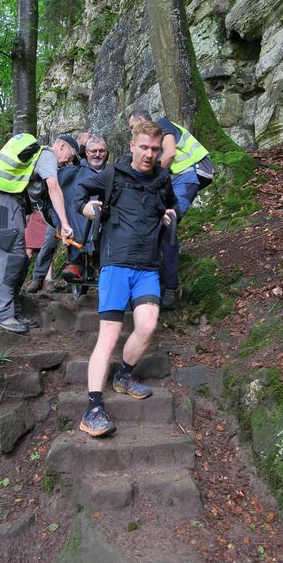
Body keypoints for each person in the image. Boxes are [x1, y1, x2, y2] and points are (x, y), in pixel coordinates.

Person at [74, 120, 180, 437]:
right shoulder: (112, 175)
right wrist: (87, 209)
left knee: (147, 325)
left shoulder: (163, 180)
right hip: (116, 265)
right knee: (109, 335)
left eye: (155, 149)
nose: (149, 154)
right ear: (132, 146)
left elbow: (173, 205)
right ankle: (92, 408)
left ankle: (124, 375)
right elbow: (80, 191)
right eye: (143, 147)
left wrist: (170, 215)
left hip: (148, 267)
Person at [0, 133, 75, 334]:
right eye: (70, 157)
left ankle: (12, 310)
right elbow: (54, 187)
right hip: (8, 206)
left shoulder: (36, 159)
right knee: (10, 259)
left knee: (20, 259)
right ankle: (1, 315)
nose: (67, 163)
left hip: (11, 207)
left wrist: (57, 226)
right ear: (62, 146)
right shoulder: (47, 154)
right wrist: (65, 223)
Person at [128, 110, 212, 309]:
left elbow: (171, 152)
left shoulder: (162, 124)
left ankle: (169, 289)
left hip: (189, 173)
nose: (132, 131)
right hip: (177, 180)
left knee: (168, 223)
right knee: (157, 226)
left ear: (141, 121)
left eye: (132, 126)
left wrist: (152, 180)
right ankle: (155, 287)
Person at [25, 135, 109, 293]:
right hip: (66, 216)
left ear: (107, 152)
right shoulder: (72, 170)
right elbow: (51, 190)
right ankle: (38, 277)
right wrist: (59, 220)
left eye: (101, 151)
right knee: (50, 240)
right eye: (93, 151)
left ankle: (97, 273)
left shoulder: (111, 172)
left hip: (98, 220)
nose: (98, 154)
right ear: (87, 152)